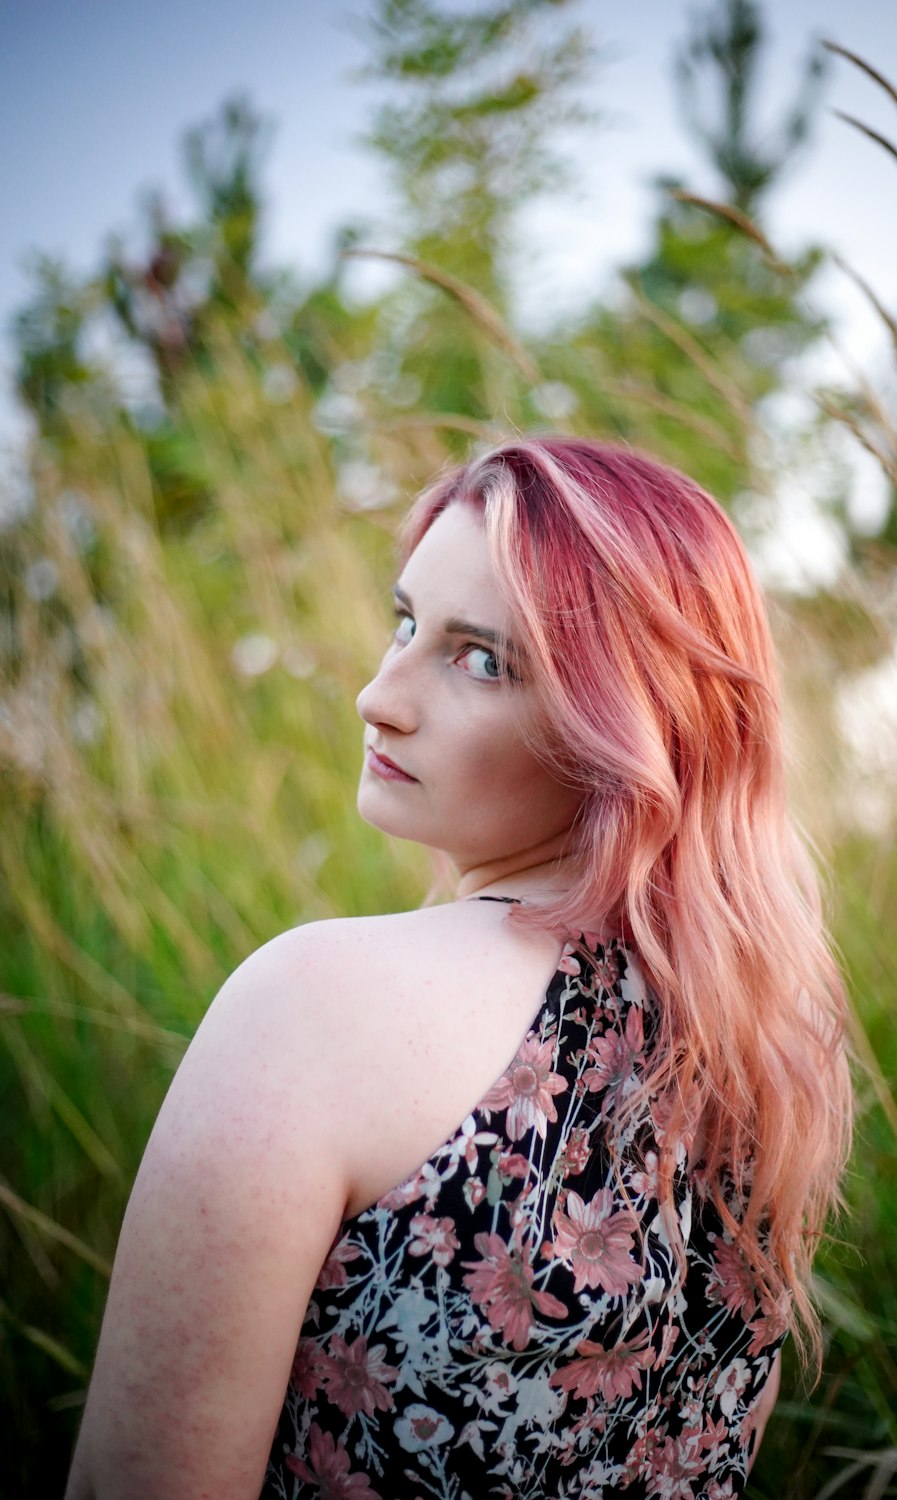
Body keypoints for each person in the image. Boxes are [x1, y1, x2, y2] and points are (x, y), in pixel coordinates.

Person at [65, 437, 851, 1500]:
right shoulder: (766, 1060)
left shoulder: (312, 1006)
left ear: (616, 725)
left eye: (481, 658)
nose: (375, 696)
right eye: (404, 623)